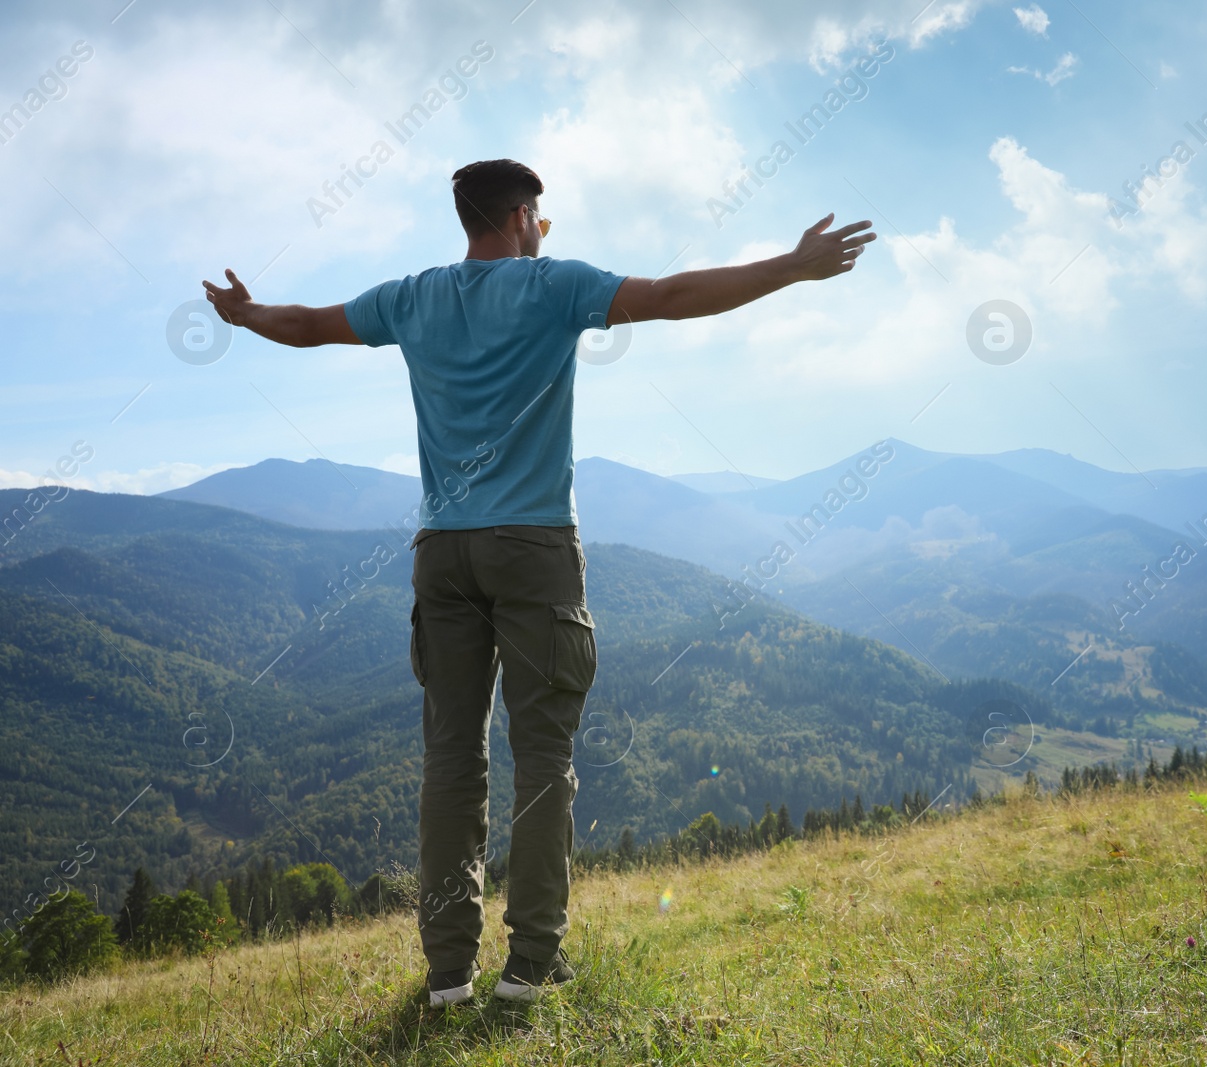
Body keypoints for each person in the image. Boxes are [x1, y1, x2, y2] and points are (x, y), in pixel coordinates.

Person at [202, 158, 874, 1006]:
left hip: (441, 551)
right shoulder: (553, 287)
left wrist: (244, 311)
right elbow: (668, 296)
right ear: (522, 215)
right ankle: (531, 964)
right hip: (533, 546)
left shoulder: (411, 298)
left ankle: (449, 971)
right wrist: (791, 265)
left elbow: (303, 324)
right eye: (539, 221)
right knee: (543, 758)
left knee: (450, 762)